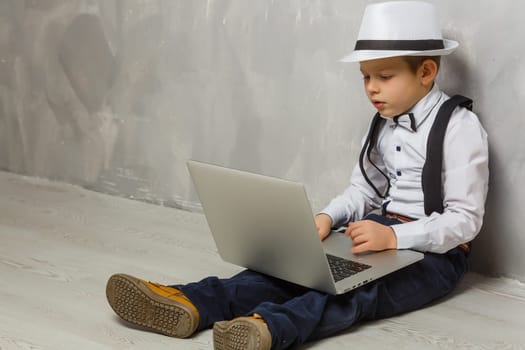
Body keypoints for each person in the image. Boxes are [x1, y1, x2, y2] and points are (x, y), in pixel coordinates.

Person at [105, 2, 489, 349]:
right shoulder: (383, 125)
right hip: (378, 234)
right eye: (364, 77)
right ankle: (192, 301)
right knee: (291, 271)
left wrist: (394, 236)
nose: (371, 88)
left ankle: (269, 328)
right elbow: (363, 191)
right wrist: (328, 217)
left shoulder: (460, 128)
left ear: (426, 71)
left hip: (434, 256)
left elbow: (465, 221)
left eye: (383, 76)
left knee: (354, 291)